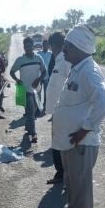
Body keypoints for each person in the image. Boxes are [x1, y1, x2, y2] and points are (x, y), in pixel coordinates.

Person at [52, 25, 105, 208]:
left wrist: (85, 129)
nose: (64, 50)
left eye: (67, 46)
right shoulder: (78, 67)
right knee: (72, 184)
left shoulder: (89, 71)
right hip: (71, 142)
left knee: (82, 187)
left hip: (81, 142)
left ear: (78, 47)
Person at [45, 32, 71, 185]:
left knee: (59, 142)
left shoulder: (65, 60)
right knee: (58, 141)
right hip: (57, 110)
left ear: (53, 45)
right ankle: (62, 173)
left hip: (62, 109)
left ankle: (62, 174)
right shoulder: (57, 59)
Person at [10, 37, 46, 143]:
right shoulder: (20, 60)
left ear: (33, 46)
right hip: (25, 90)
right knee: (30, 112)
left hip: (37, 90)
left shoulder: (39, 58)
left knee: (34, 111)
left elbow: (44, 72)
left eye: (29, 46)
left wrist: (38, 79)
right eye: (26, 46)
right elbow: (12, 72)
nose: (27, 48)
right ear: (24, 47)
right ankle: (33, 133)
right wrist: (17, 79)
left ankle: (28, 128)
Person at [37, 39, 53, 113]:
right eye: (44, 45)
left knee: (47, 93)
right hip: (39, 77)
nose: (45, 46)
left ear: (48, 45)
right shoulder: (38, 54)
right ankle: (38, 107)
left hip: (47, 77)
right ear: (42, 45)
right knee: (38, 92)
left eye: (46, 44)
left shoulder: (51, 54)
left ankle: (45, 107)